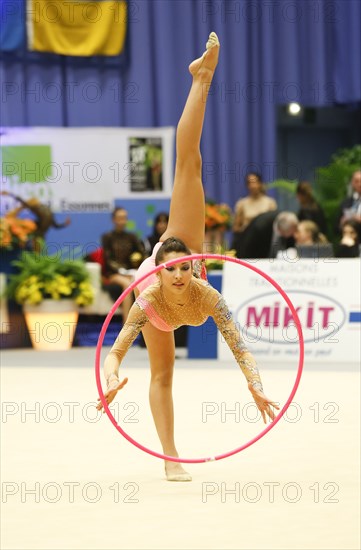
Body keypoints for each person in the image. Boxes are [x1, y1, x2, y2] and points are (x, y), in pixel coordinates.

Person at [96, 33, 279, 482]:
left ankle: (201, 77)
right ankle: (169, 457)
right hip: (154, 290)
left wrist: (255, 387)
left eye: (184, 269)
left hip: (176, 249)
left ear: (195, 267)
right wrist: (110, 377)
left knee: (188, 163)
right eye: (174, 270)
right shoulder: (152, 297)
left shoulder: (205, 293)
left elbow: (240, 348)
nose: (179, 276)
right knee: (163, 374)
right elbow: (115, 350)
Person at [101, 207, 145, 320]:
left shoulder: (132, 237)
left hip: (131, 272)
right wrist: (123, 272)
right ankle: (127, 325)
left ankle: (143, 321)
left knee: (140, 282)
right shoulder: (107, 237)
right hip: (113, 274)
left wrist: (136, 269)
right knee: (127, 284)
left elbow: (141, 254)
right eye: (119, 218)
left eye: (124, 218)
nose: (122, 221)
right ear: (114, 220)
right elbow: (109, 260)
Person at [234, 210, 298, 259]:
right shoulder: (259, 228)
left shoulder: (287, 221)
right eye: (292, 232)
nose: (294, 235)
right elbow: (246, 251)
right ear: (282, 231)